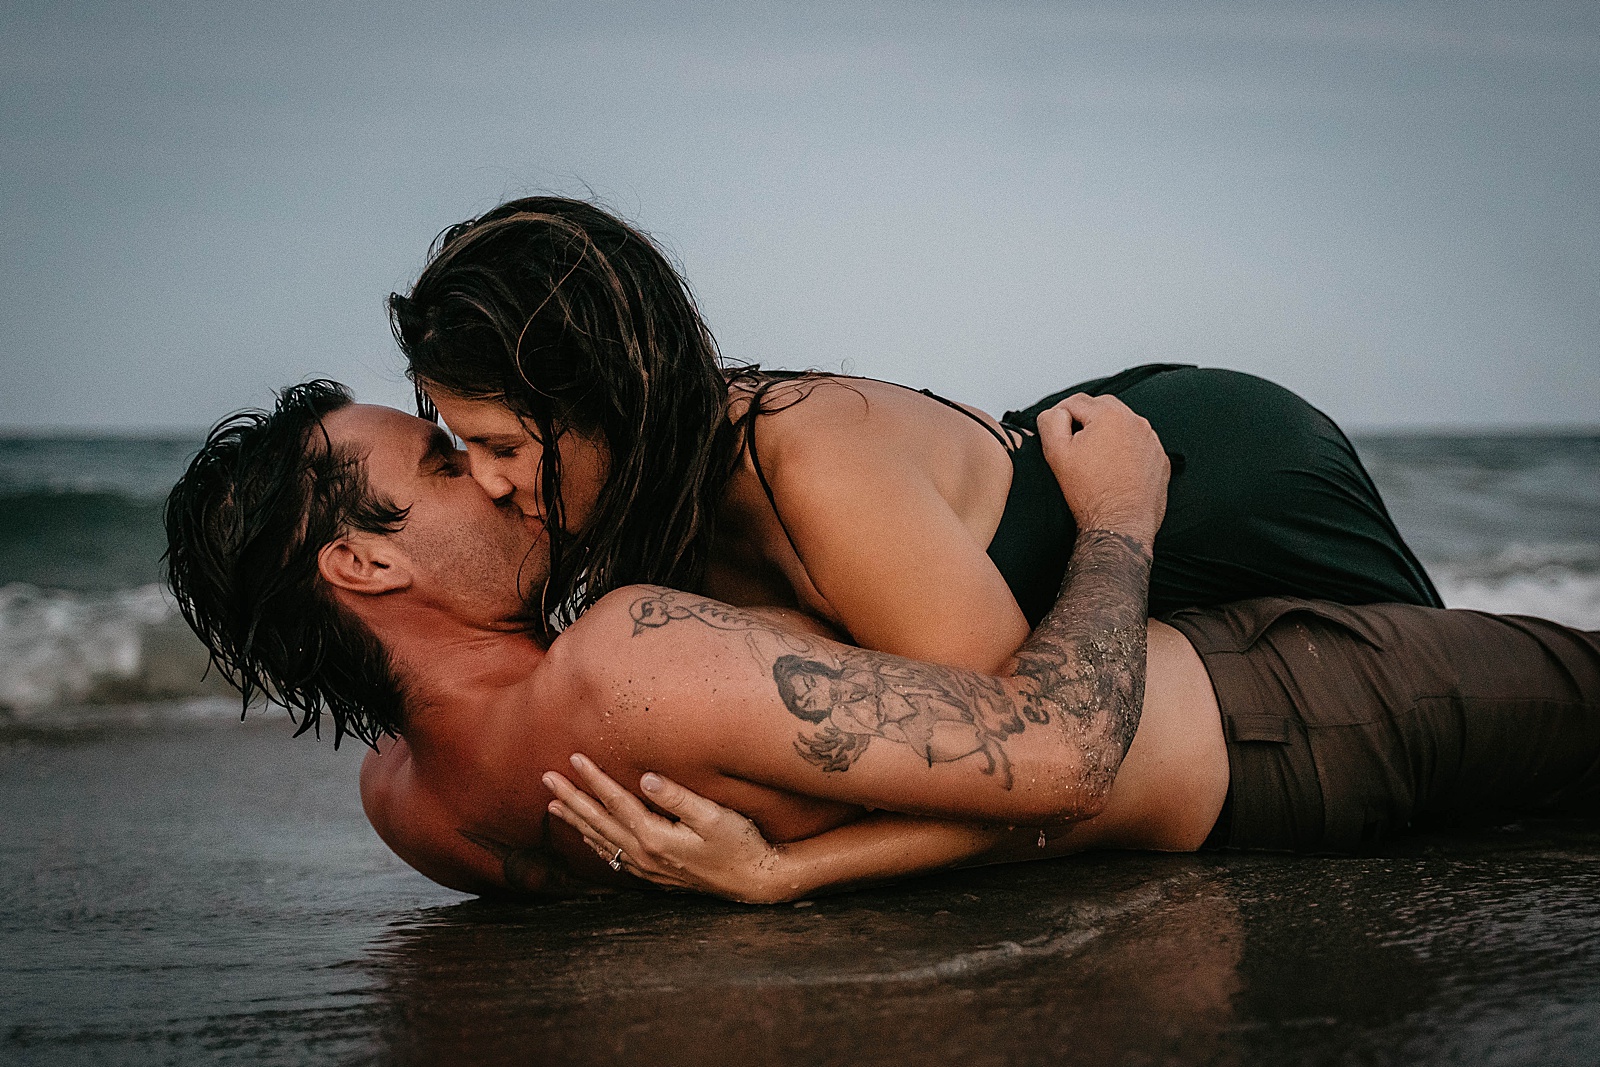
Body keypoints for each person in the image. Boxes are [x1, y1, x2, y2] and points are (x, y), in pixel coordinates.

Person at [164, 381, 1600, 902]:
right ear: (359, 558)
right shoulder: (620, 657)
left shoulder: (412, 804)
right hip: (1278, 710)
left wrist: (789, 872)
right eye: (439, 455)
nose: (487, 471)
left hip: (1233, 772)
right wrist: (1115, 520)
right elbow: (1061, 758)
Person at [388, 198, 1439, 680]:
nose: (483, 481)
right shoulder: (653, 516)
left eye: (502, 445)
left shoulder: (802, 455)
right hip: (1058, 465)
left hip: (1221, 467)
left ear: (610, 398)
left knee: (1460, 701)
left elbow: (1015, 745)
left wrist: (780, 873)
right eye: (457, 443)